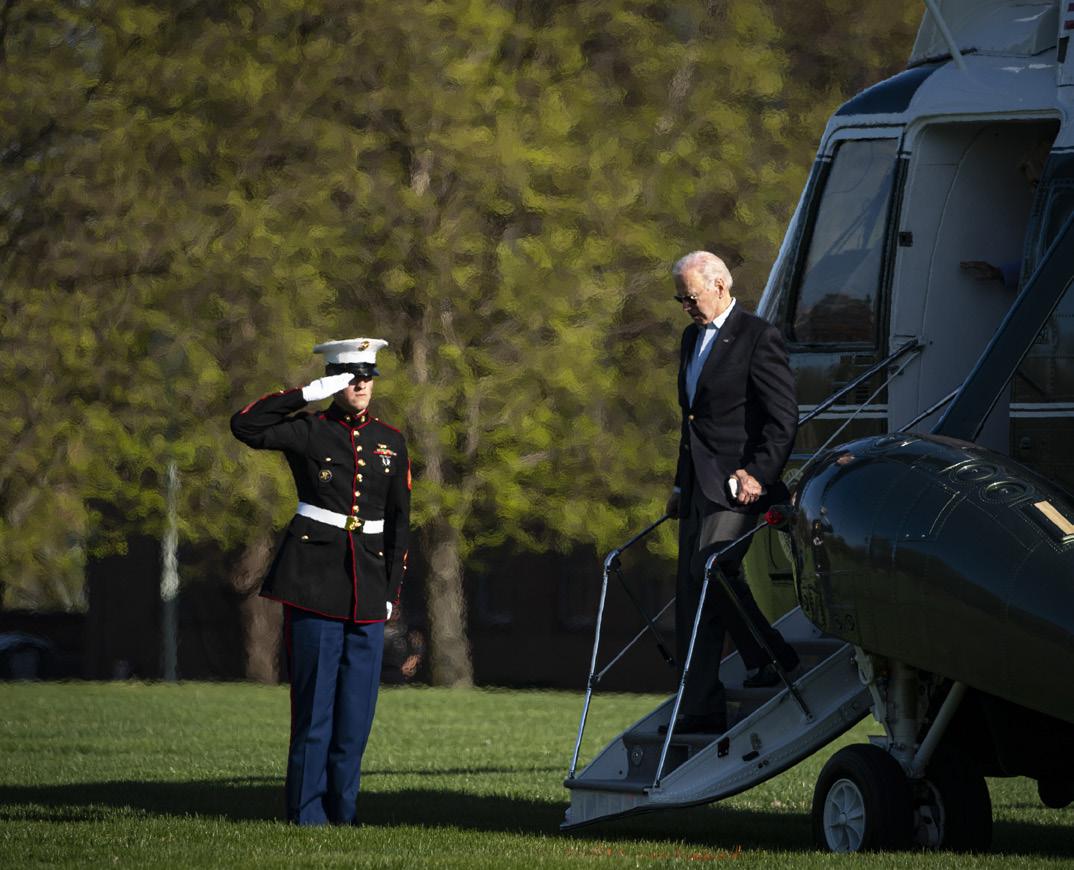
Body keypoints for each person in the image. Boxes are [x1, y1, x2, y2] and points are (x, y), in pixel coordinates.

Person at [230, 337, 410, 825]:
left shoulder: (390, 441)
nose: (362, 386)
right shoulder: (310, 430)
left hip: (367, 586)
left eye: (368, 377)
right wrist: (306, 394)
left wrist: (390, 591)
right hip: (313, 582)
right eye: (351, 378)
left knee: (356, 713)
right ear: (334, 381)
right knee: (314, 710)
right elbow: (245, 425)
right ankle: (306, 813)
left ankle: (343, 813)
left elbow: (399, 522)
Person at [665, 251, 799, 735]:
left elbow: (783, 419)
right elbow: (692, 424)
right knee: (691, 593)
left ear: (720, 286)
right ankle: (701, 707)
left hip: (739, 487)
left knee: (713, 568)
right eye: (680, 300)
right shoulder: (690, 338)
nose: (686, 307)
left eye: (691, 297)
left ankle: (771, 655)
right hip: (697, 486)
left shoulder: (758, 336)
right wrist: (679, 484)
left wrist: (758, 473)